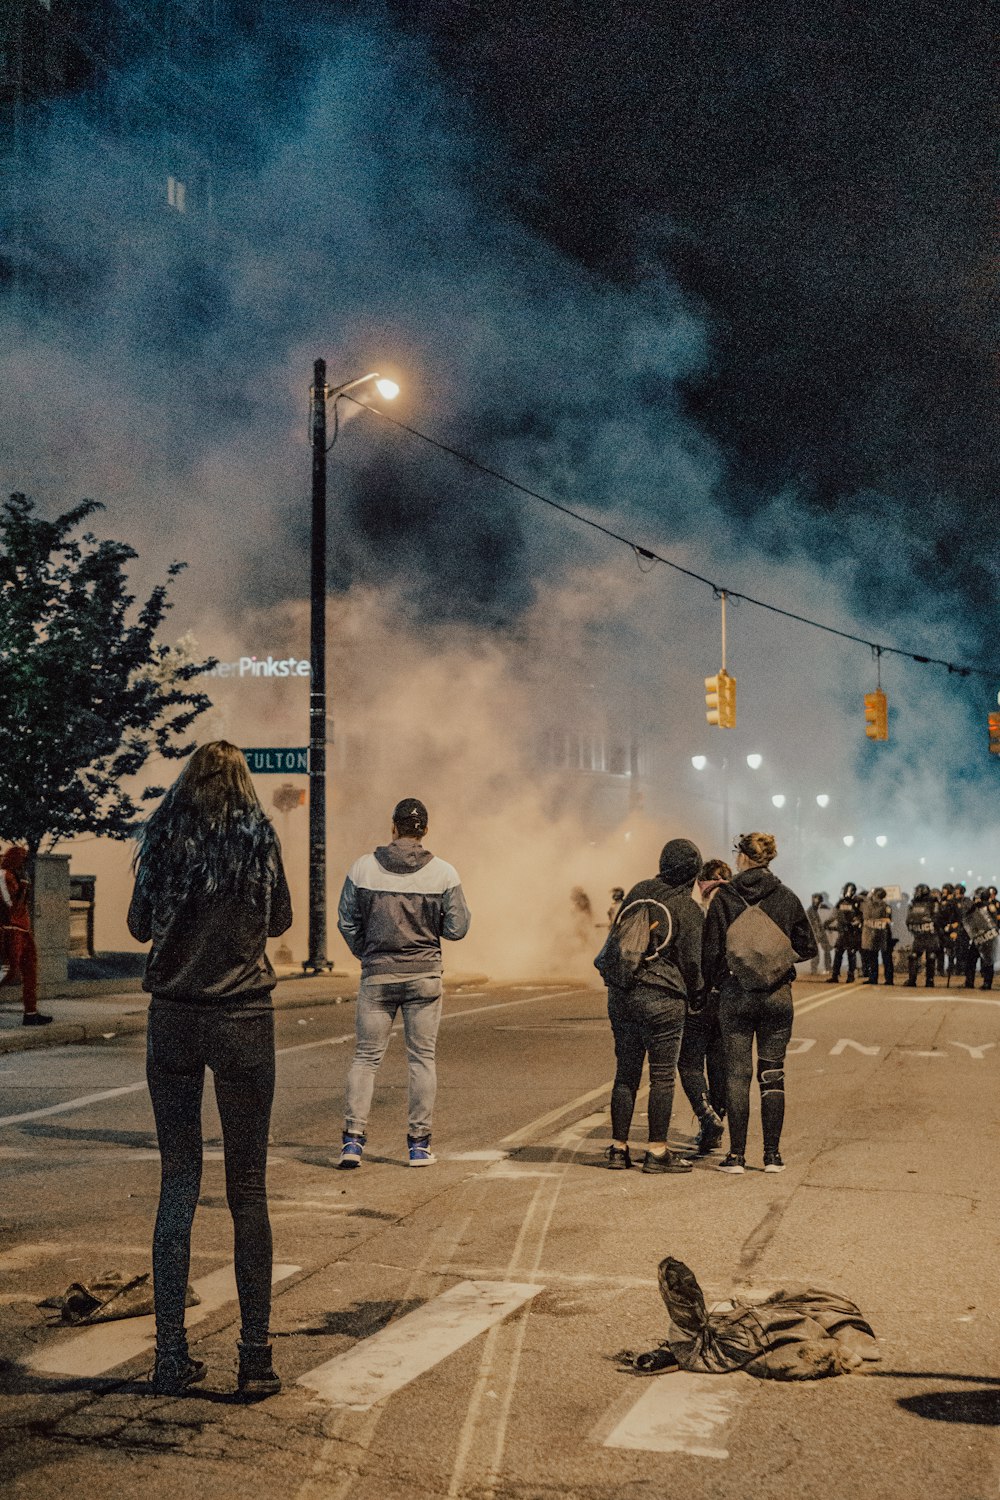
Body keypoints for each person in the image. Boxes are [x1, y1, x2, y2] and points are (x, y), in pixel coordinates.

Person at [127, 741, 293, 1399]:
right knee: (247, 1188)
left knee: (179, 1181)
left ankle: (171, 1357)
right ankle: (255, 1360)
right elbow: (279, 918)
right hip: (243, 1019)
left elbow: (139, 925)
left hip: (172, 1016)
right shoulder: (258, 840)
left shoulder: (166, 840)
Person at [336, 798, 470, 1170]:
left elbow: (346, 920)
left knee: (365, 1058)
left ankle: (352, 1142)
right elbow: (458, 928)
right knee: (421, 1058)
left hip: (378, 974)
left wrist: (369, 952)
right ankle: (418, 1146)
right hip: (424, 976)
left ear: (393, 827)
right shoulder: (444, 873)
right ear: (424, 831)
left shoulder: (363, 868)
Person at [703, 832, 816, 1174]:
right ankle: (772, 1156)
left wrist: (723, 975)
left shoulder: (725, 898)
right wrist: (776, 960)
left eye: (738, 853)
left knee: (737, 1075)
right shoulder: (787, 898)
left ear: (745, 857)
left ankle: (736, 1156)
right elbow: (809, 948)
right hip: (777, 996)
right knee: (773, 1074)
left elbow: (709, 953)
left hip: (736, 995)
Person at [600, 838, 705, 1174]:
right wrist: (698, 995)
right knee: (662, 1077)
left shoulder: (638, 891)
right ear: (692, 874)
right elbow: (693, 964)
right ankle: (657, 1151)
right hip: (662, 998)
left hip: (622, 994)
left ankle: (618, 1149)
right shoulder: (687, 908)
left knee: (625, 1073)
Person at [677, 859, 732, 1153]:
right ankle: (716, 1124)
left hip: (699, 996)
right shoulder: (738, 908)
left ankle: (706, 1115)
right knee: (720, 1063)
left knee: (689, 1062)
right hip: (728, 996)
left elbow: (688, 955)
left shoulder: (693, 909)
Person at [0, 846, 51, 1025]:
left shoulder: (15, 875)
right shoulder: (3, 875)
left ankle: (31, 1013)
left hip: (22, 928)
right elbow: (11, 905)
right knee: (9, 971)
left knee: (30, 971)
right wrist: (22, 887)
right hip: (10, 929)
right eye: (22, 859)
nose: (24, 863)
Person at [826, 883, 862, 983]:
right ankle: (835, 975)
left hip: (851, 932)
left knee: (851, 954)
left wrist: (854, 923)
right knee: (838, 953)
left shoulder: (857, 902)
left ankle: (850, 976)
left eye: (850, 890)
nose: (849, 892)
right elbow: (835, 914)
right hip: (842, 932)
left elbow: (861, 917)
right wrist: (827, 923)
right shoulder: (841, 902)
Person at [904, 885, 939, 987]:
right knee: (913, 956)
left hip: (930, 934)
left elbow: (937, 917)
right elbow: (909, 918)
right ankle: (912, 980)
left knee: (930, 956)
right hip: (918, 935)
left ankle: (930, 980)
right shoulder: (914, 903)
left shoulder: (933, 902)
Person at [962, 889, 997, 991]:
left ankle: (970, 982)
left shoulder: (982, 907)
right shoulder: (988, 906)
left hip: (982, 937)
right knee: (986, 961)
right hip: (985, 937)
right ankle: (986, 983)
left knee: (972, 960)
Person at [860, 888, 894, 985]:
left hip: (874, 934)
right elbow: (889, 919)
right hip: (883, 933)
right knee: (885, 958)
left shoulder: (868, 905)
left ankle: (873, 978)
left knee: (874, 957)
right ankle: (888, 979)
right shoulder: (886, 906)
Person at [806, 892, 833, 975]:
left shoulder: (821, 909)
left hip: (821, 932)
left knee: (826, 950)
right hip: (814, 933)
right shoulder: (810, 910)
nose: (817, 901)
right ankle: (814, 969)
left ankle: (827, 968)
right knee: (816, 951)